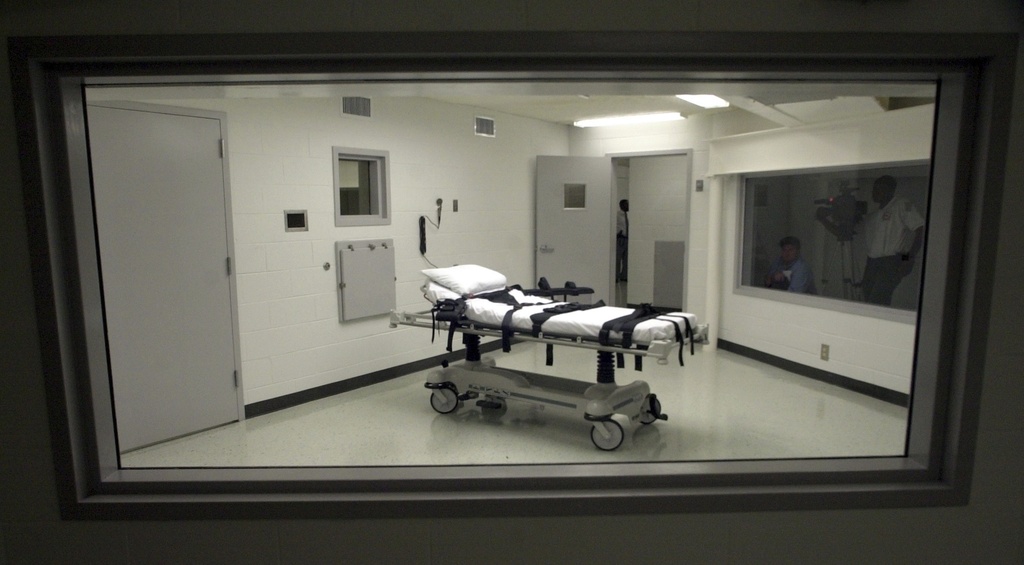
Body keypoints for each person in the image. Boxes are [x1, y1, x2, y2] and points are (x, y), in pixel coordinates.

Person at [860, 175, 925, 306]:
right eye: (874, 189)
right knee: (868, 298)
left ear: (890, 190)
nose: (874, 193)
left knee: (877, 299)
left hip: (891, 260)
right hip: (872, 261)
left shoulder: (901, 204)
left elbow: (920, 229)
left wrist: (908, 259)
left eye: (879, 189)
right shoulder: (875, 213)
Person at [615, 199, 629, 282]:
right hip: (620, 239)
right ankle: (616, 276)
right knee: (617, 258)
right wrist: (617, 233)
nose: (628, 206)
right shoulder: (617, 215)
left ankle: (624, 276)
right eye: (627, 204)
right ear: (622, 205)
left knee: (626, 259)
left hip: (627, 239)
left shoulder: (628, 216)